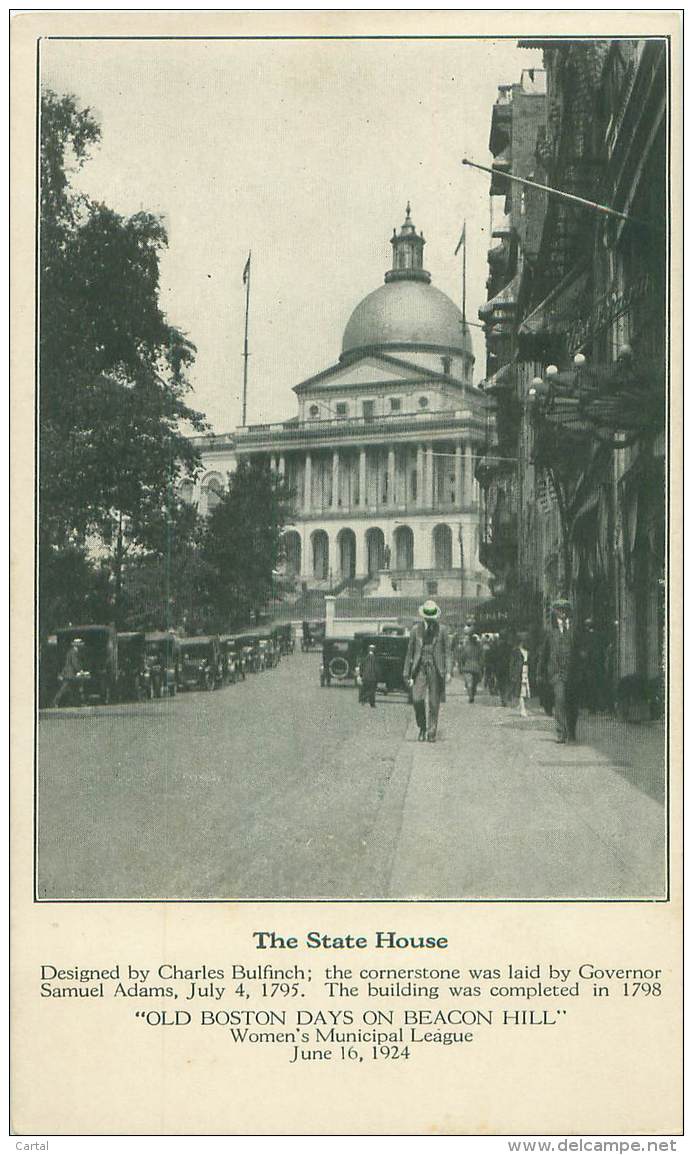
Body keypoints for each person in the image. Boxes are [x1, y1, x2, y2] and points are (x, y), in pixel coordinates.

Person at [403, 600, 450, 742]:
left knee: (434, 702)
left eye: (432, 617)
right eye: (428, 616)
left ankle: (431, 732)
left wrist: (448, 672)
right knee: (417, 699)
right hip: (420, 668)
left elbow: (447, 652)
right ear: (424, 616)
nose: (430, 619)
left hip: (436, 668)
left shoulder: (442, 630)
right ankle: (422, 727)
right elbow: (409, 653)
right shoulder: (415, 630)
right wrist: (406, 673)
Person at [542, 597, 580, 743]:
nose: (562, 613)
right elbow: (544, 653)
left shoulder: (575, 630)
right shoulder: (551, 632)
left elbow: (580, 650)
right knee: (560, 699)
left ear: (568, 612)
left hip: (573, 673)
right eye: (559, 610)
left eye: (565, 610)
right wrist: (541, 672)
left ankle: (571, 731)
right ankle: (561, 732)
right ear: (555, 612)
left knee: (572, 703)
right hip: (557, 673)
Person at [52, 637, 85, 707]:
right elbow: (75, 663)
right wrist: (80, 670)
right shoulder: (73, 652)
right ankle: (55, 701)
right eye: (79, 645)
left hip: (70, 673)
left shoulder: (72, 651)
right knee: (65, 688)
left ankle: (76, 702)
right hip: (70, 673)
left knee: (72, 688)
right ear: (76, 645)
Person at [509, 631, 532, 718]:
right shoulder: (515, 651)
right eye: (523, 641)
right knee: (521, 692)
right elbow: (511, 663)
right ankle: (523, 709)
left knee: (527, 691)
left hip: (527, 672)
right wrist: (512, 674)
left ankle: (523, 706)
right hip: (519, 672)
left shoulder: (528, 651)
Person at [459, 628, 483, 703]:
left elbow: (462, 658)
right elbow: (481, 658)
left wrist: (461, 666)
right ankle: (472, 694)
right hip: (476, 668)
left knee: (469, 683)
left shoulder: (466, 648)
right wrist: (481, 667)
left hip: (467, 667)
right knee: (475, 684)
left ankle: (470, 696)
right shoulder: (478, 649)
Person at [356, 644, 378, 708]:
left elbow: (361, 666)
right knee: (372, 690)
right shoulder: (374, 658)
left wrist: (361, 674)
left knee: (366, 689)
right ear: (374, 650)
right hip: (372, 677)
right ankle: (366, 700)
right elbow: (376, 668)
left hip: (365, 676)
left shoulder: (365, 658)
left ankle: (368, 702)